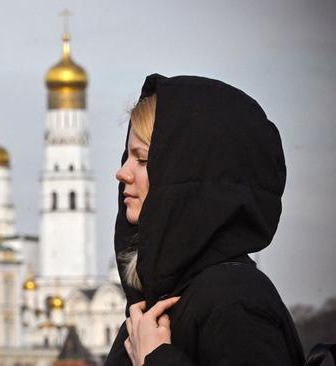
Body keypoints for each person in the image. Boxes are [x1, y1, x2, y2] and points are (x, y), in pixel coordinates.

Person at [104, 74, 305, 366]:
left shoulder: (233, 301)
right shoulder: (159, 305)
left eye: (143, 160)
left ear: (190, 176)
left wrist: (156, 359)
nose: (122, 173)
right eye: (127, 156)